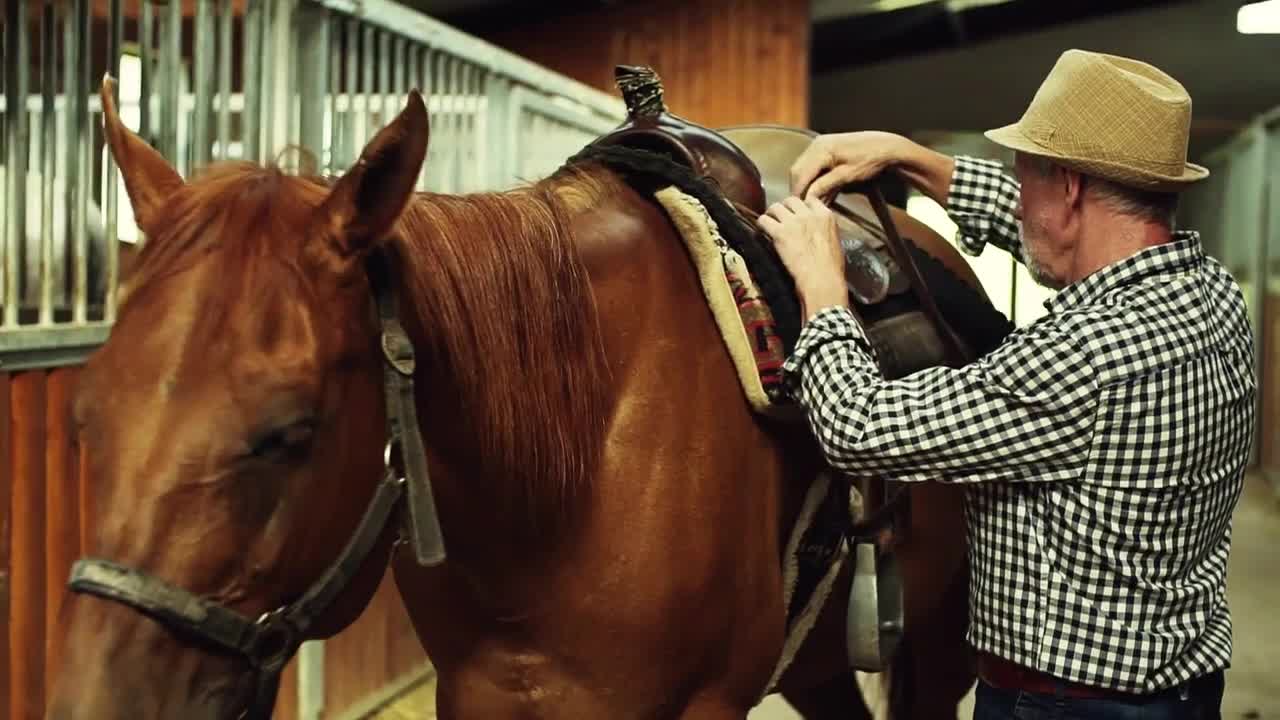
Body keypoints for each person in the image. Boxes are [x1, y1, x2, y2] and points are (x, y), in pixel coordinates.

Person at [756, 49, 1256, 720]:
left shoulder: (1084, 353)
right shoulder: (1206, 293)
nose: (1016, 198)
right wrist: (912, 159)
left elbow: (858, 425)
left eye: (1024, 180)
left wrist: (822, 285)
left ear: (1070, 187)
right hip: (1178, 689)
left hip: (1060, 706)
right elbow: (1072, 243)